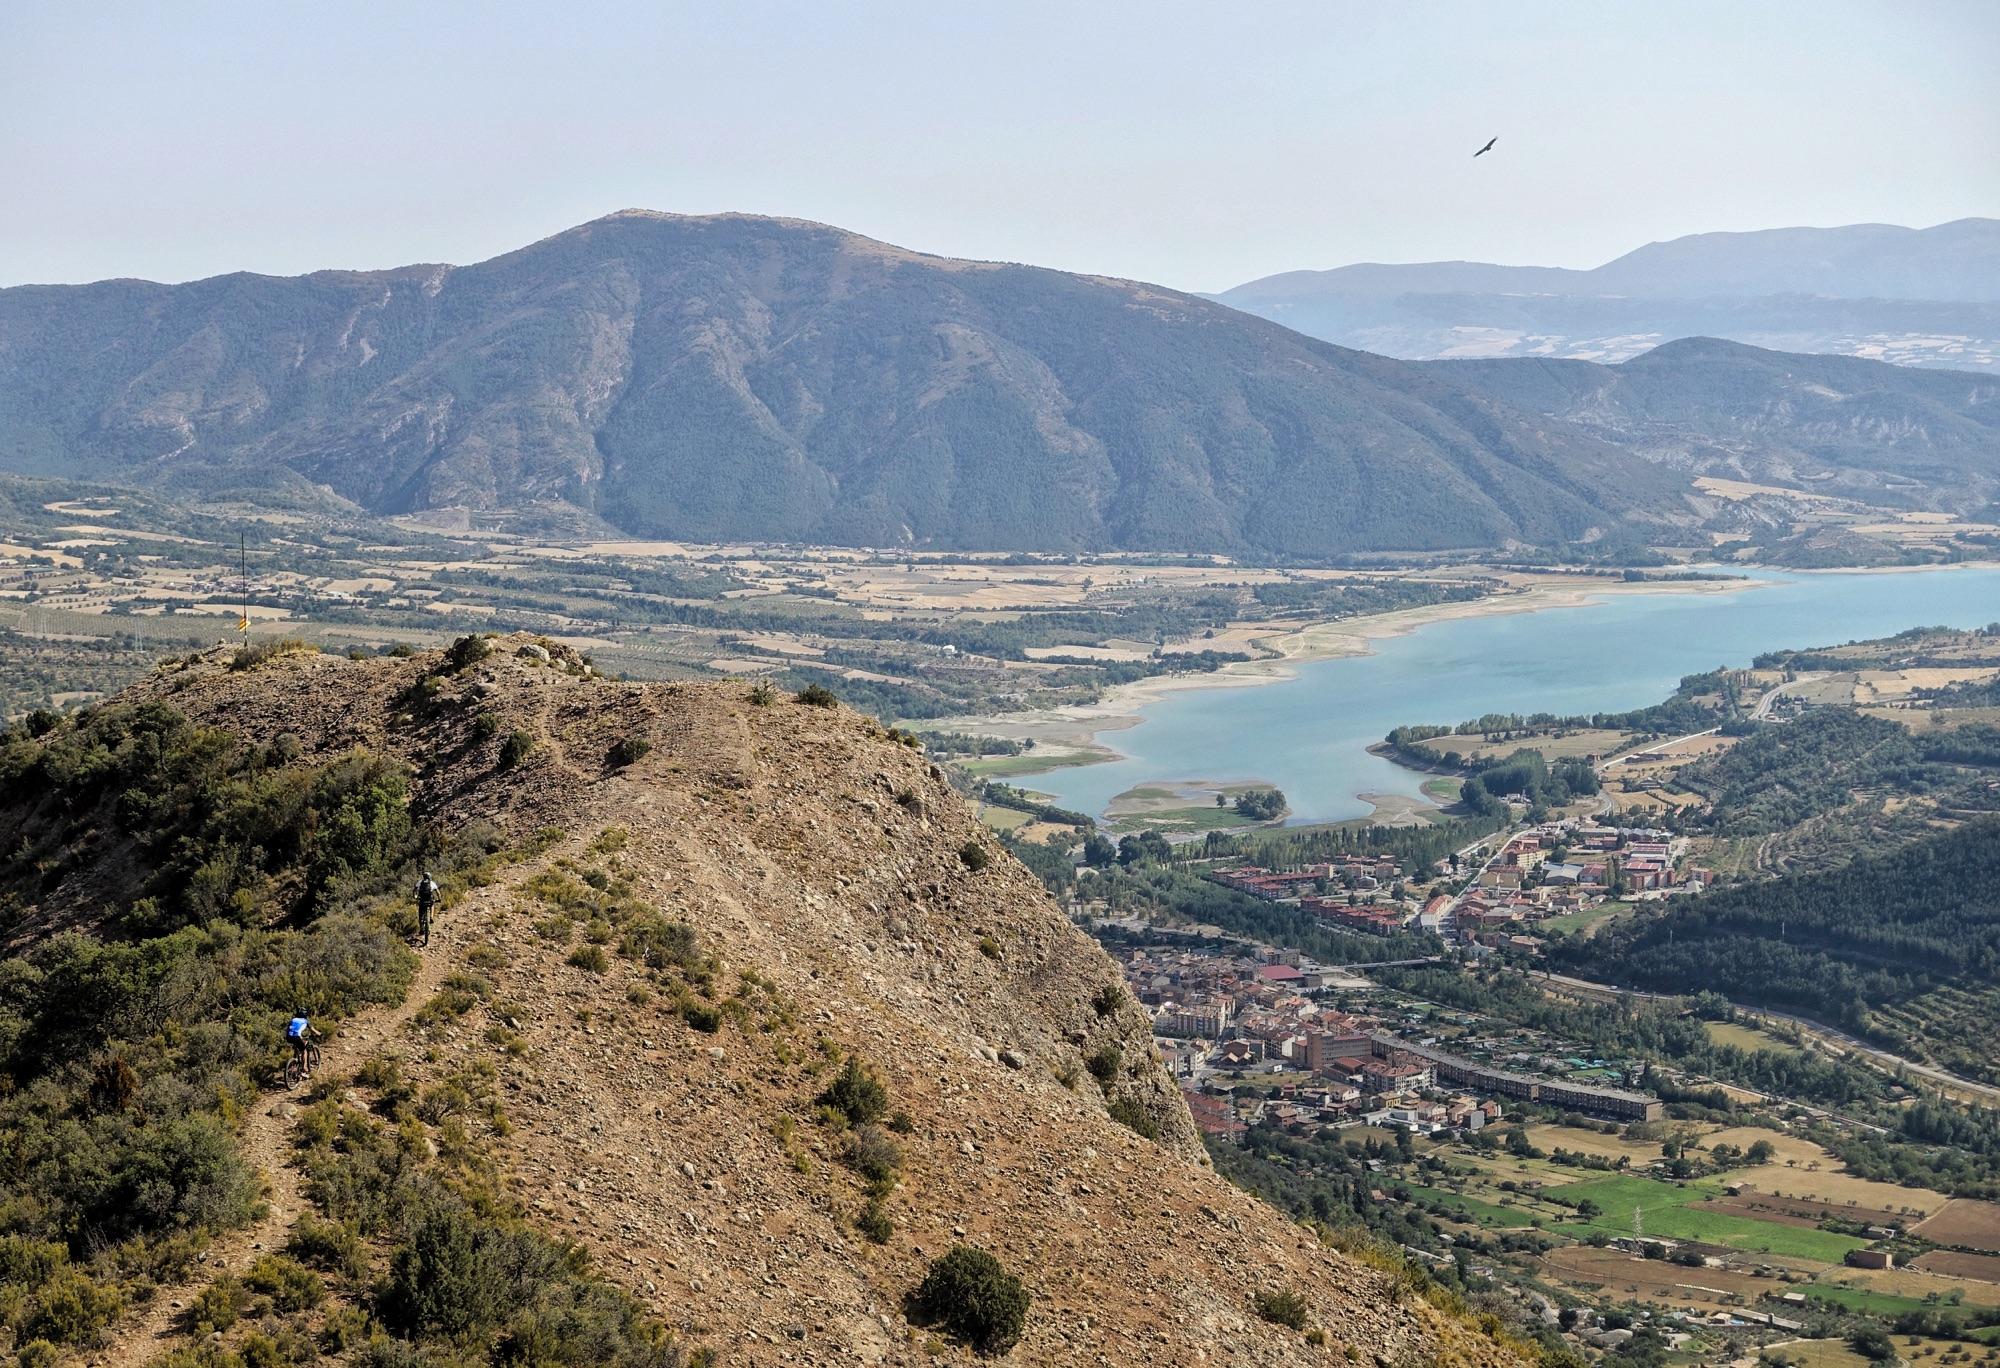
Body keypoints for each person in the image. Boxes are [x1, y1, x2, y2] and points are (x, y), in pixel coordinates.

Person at [415, 870, 439, 940]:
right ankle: (431, 917)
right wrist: (439, 899)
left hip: (422, 901)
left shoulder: (420, 882)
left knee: (420, 914)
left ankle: (421, 929)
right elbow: (437, 892)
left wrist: (415, 897)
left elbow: (415, 890)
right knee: (432, 904)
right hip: (429, 900)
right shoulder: (432, 883)